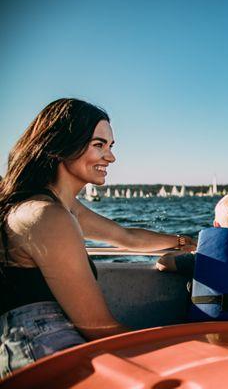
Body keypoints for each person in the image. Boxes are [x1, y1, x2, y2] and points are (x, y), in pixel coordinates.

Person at [0, 98, 195, 377]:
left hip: (46, 346)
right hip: (41, 356)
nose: (111, 157)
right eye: (99, 145)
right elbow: (98, 328)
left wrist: (183, 242)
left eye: (110, 146)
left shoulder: (62, 207)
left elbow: (126, 237)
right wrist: (180, 353)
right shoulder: (47, 216)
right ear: (61, 146)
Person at [156, 192, 228, 321]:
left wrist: (190, 252)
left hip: (205, 328)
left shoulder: (201, 257)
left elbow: (163, 263)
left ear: (216, 226)